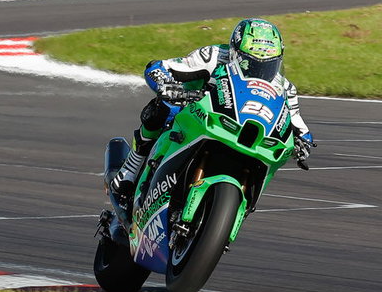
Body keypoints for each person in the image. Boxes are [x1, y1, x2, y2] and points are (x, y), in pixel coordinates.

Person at [108, 17, 315, 206]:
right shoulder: (213, 56)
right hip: (195, 115)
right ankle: (131, 167)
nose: (259, 71)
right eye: (249, 62)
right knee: (164, 108)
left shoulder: (285, 88)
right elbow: (159, 67)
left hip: (239, 129)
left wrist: (303, 141)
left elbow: (297, 123)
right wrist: (167, 85)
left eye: (268, 66)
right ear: (235, 52)